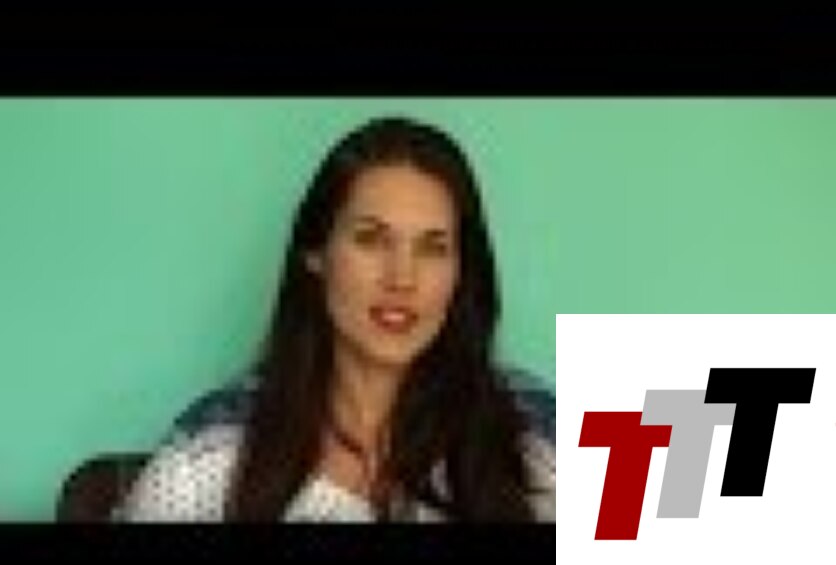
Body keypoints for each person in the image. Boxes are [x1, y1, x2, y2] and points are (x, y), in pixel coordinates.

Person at [115, 115, 555, 522]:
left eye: (433, 248)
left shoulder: (544, 434)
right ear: (316, 252)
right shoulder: (205, 460)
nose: (402, 278)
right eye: (371, 239)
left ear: (462, 271)